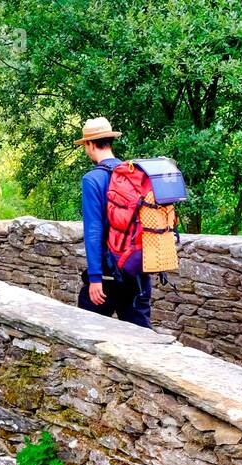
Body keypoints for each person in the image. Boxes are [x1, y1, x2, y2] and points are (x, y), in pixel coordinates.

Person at [76, 117, 152, 328]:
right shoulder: (133, 174)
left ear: (90, 144)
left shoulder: (92, 179)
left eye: (85, 145)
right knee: (142, 336)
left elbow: (93, 230)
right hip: (137, 269)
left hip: (109, 275)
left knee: (85, 331)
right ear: (110, 141)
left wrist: (95, 278)